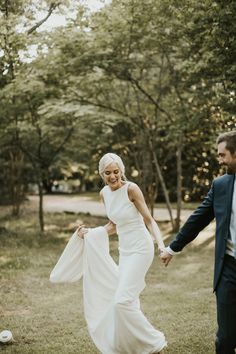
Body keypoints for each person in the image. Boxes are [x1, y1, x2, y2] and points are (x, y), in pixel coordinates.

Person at [76, 152, 167, 353]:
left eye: (116, 171)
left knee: (121, 302)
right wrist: (89, 233)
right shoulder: (104, 194)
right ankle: (134, 344)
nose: (113, 176)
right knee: (130, 301)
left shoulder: (131, 189)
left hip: (141, 248)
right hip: (124, 251)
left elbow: (149, 220)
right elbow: (113, 225)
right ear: (101, 174)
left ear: (121, 171)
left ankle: (154, 342)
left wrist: (161, 246)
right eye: (108, 172)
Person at [160, 131, 236, 354]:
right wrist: (173, 247)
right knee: (225, 338)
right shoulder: (221, 185)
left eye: (223, 155)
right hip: (229, 269)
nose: (219, 160)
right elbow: (199, 218)